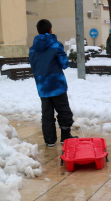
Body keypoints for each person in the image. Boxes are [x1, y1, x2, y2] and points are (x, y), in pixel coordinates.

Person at [29, 19, 77, 147]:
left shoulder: (32, 49)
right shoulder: (56, 45)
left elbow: (34, 66)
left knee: (47, 113)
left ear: (38, 31)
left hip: (42, 86)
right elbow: (65, 64)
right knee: (63, 111)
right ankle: (65, 137)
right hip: (57, 85)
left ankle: (49, 140)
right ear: (51, 30)